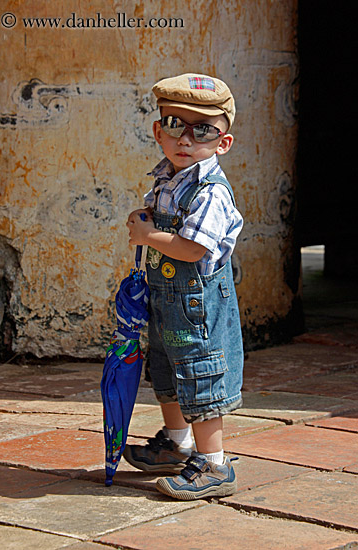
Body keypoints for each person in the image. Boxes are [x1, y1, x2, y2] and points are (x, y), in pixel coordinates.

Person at [125, 73, 244, 500]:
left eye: (204, 130)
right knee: (165, 370)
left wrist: (146, 236)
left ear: (222, 142)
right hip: (166, 300)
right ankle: (177, 443)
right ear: (159, 132)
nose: (186, 139)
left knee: (199, 373)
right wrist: (147, 218)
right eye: (175, 125)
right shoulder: (169, 178)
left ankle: (215, 463)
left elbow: (193, 248)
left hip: (198, 307)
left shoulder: (211, 191)